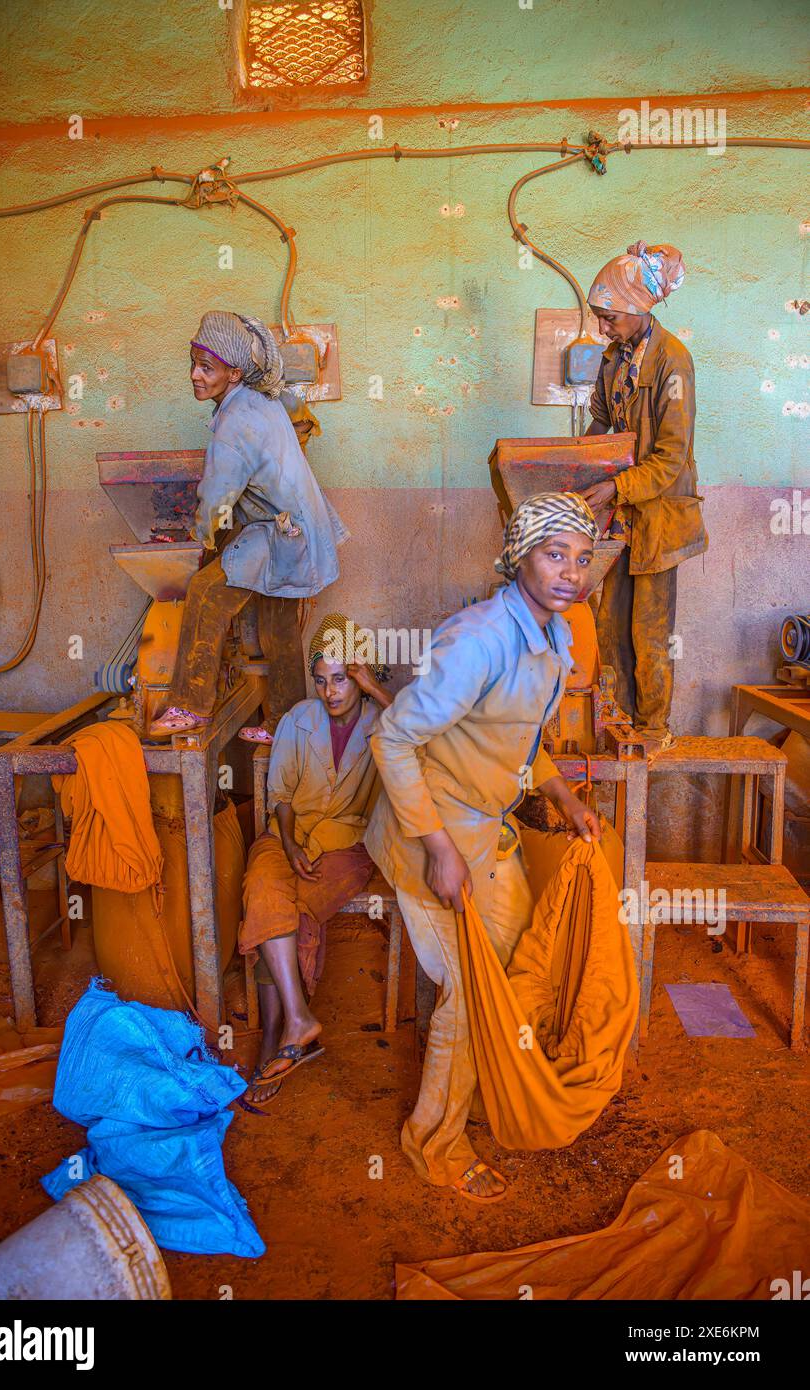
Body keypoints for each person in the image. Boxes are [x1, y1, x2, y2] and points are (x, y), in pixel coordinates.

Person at [365, 493, 602, 1203]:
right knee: (474, 995)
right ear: (518, 557)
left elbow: (522, 743)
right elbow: (392, 738)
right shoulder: (477, 639)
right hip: (429, 837)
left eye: (582, 559)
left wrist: (560, 797)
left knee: (525, 962)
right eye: (554, 555)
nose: (570, 573)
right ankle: (434, 1143)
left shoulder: (552, 634)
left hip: (484, 832)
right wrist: (437, 847)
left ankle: (492, 1083)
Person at [149, 311, 348, 741]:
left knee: (205, 593)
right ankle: (287, 724)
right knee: (278, 624)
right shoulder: (261, 398)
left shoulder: (236, 422)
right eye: (194, 363)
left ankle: (190, 706)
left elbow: (218, 496)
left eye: (207, 368)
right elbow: (287, 432)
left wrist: (198, 540)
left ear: (234, 372)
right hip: (299, 528)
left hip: (282, 531)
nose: (195, 376)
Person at [239, 613, 393, 1103]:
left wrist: (378, 691)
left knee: (297, 908)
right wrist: (287, 846)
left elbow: (427, 735)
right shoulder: (297, 720)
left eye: (343, 679)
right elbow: (280, 796)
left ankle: (277, 1034)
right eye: (322, 681)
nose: (330, 692)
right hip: (287, 837)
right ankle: (295, 1025)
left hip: (347, 847)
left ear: (361, 675)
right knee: (265, 889)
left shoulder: (382, 723)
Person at [579, 241, 707, 749]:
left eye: (609, 318)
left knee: (648, 632)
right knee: (609, 625)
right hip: (621, 520)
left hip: (659, 516)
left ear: (637, 309)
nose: (603, 329)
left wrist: (614, 486)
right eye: (599, 318)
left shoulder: (673, 361)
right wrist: (576, 462)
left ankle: (653, 730)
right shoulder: (615, 358)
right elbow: (603, 424)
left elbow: (671, 459)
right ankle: (617, 722)